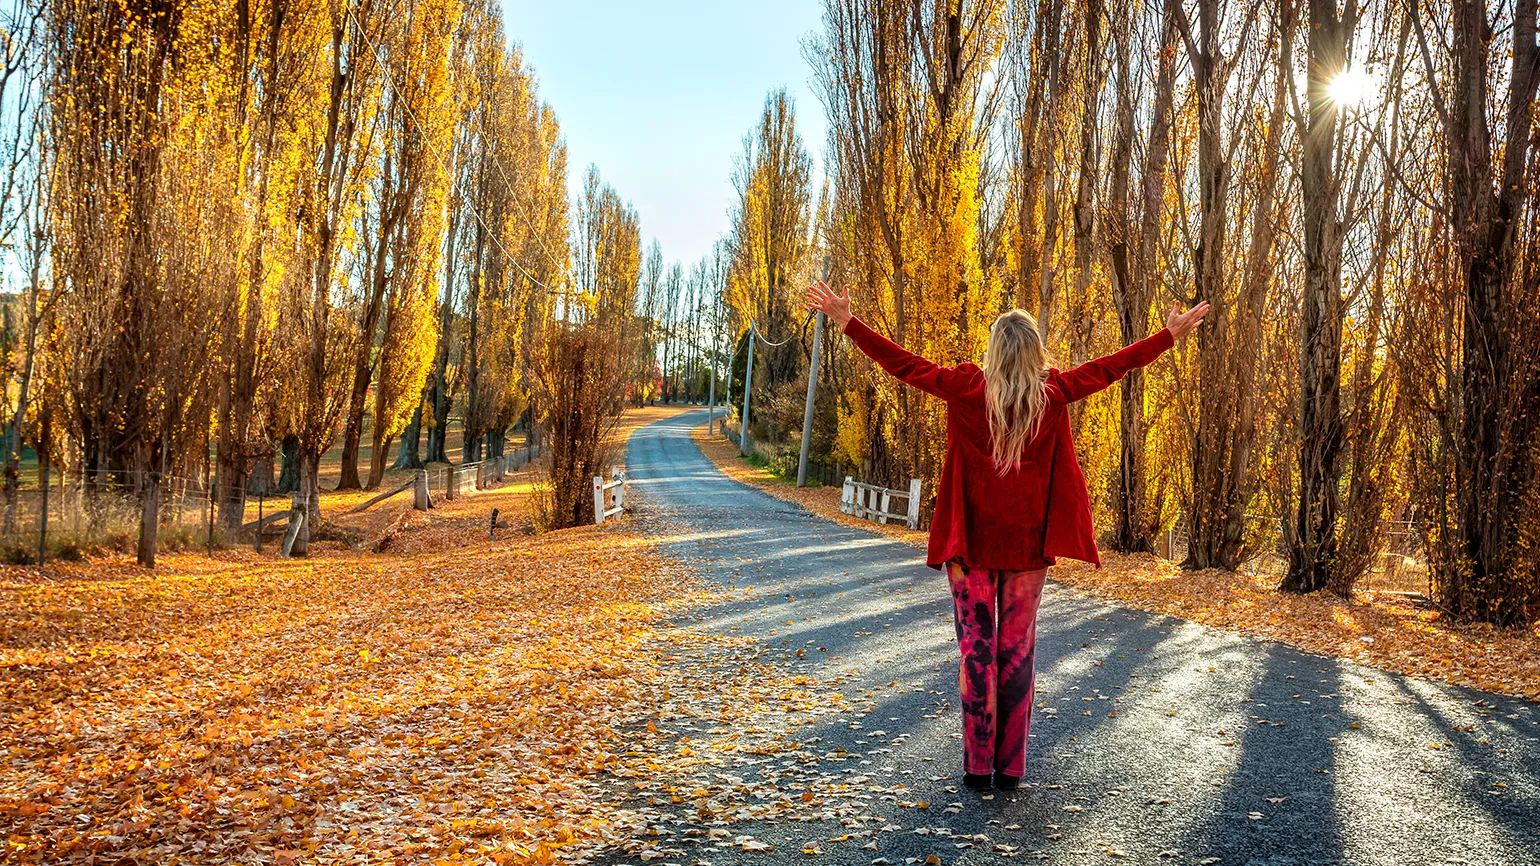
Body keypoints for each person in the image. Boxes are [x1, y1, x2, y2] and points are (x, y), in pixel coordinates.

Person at [804, 282, 1209, 791]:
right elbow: (1112, 366)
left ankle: (977, 766)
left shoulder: (966, 389)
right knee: (1016, 653)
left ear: (993, 351)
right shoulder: (1054, 393)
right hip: (1026, 547)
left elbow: (901, 363)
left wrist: (847, 322)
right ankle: (1010, 768)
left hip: (971, 544)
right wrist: (1166, 336)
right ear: (1036, 353)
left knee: (977, 652)